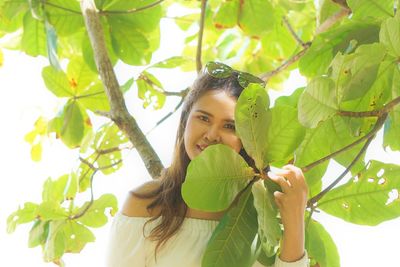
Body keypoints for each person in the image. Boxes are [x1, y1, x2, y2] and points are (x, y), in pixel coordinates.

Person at [106, 62, 309, 267]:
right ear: (185, 122)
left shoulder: (267, 212)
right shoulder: (145, 204)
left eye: (230, 126)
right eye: (204, 118)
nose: (212, 135)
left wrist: (295, 219)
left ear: (247, 139)